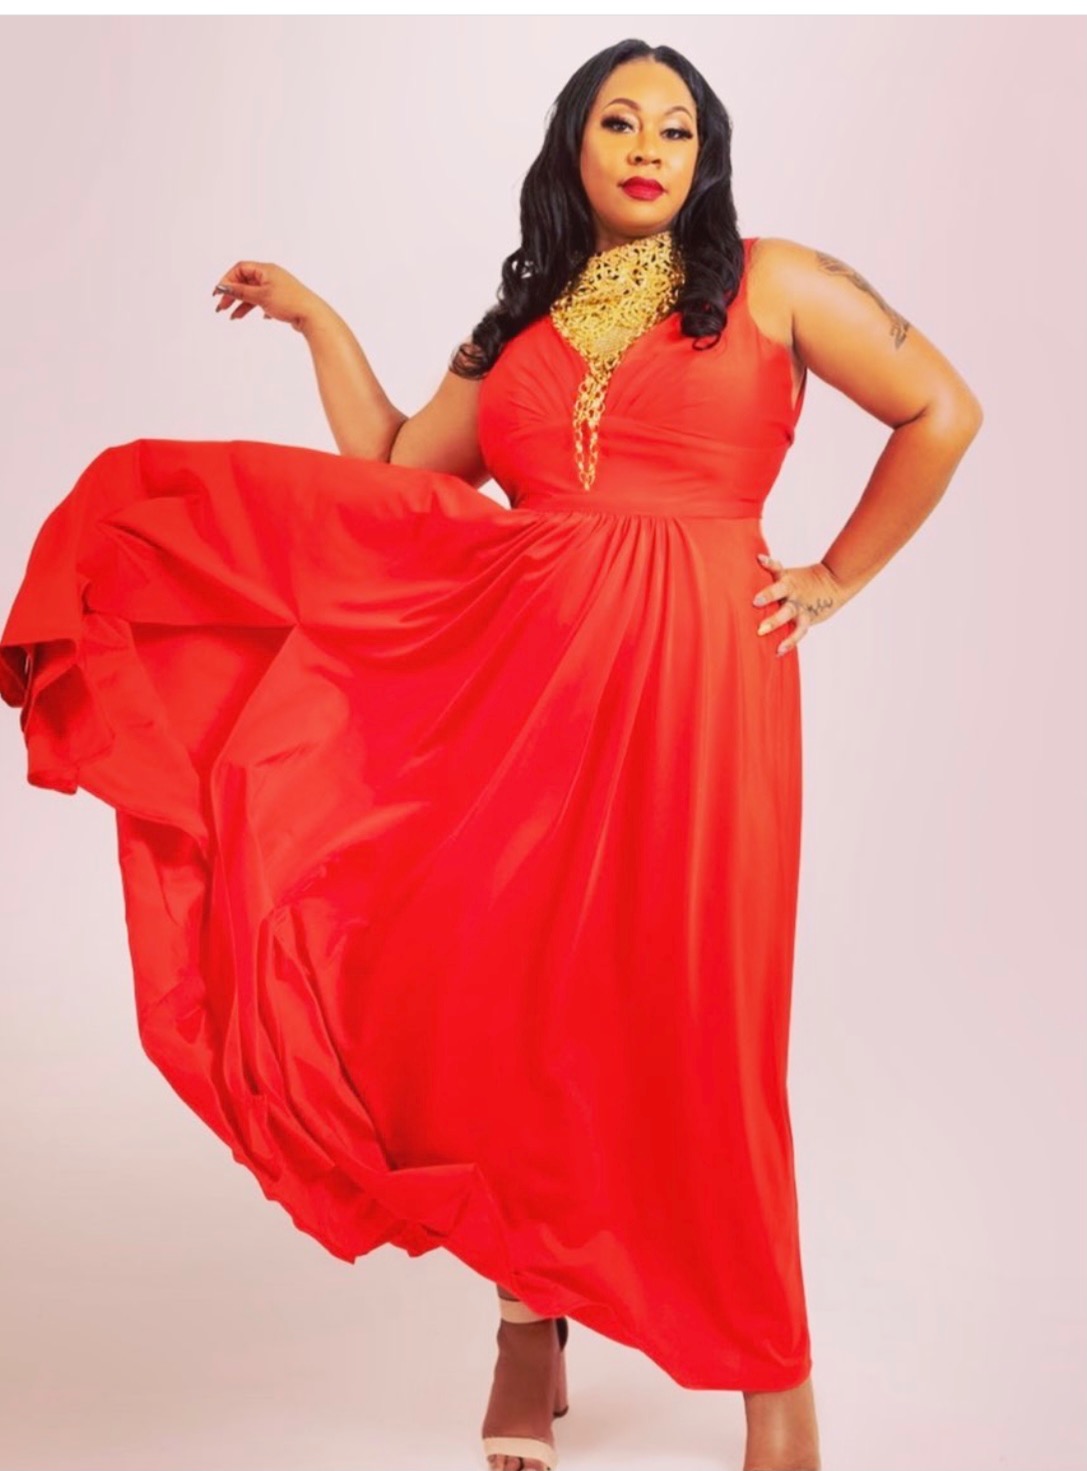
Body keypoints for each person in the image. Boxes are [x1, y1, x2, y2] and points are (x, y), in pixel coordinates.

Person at [0, 38, 983, 1471]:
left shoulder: (772, 281)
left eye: (677, 129)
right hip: (520, 693)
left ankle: (776, 1380)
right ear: (572, 144)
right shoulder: (521, 319)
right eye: (618, 121)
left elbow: (943, 410)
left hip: (705, 688)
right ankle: (531, 1323)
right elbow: (404, 470)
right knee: (519, 1011)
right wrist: (320, 321)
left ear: (707, 157)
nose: (648, 146)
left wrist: (833, 576)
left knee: (704, 1015)